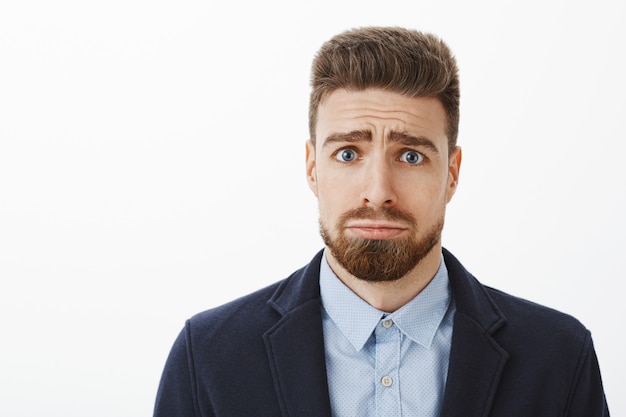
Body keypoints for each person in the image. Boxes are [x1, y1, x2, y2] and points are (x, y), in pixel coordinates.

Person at [153, 26, 609, 417]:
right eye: (348, 153)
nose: (378, 191)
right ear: (313, 167)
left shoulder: (559, 357)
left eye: (410, 155)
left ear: (451, 173)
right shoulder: (208, 357)